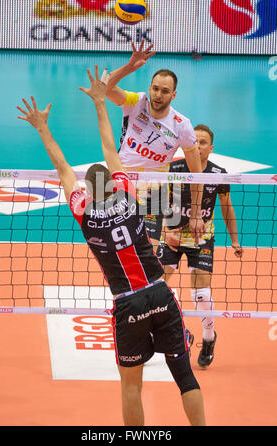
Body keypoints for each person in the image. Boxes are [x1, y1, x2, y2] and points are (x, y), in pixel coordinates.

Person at [16, 66, 206, 427]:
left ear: (88, 192)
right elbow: (109, 146)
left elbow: (62, 169)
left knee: (131, 387)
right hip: (161, 294)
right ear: (116, 184)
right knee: (184, 377)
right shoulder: (132, 198)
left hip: (127, 303)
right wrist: (101, 104)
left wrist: (42, 128)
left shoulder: (85, 215)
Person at [105, 40, 205, 250]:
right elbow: (103, 87)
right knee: (119, 250)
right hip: (121, 185)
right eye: (155, 88)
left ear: (174, 95)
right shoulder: (136, 102)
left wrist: (196, 215)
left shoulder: (182, 125)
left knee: (148, 251)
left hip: (155, 192)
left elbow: (197, 173)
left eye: (165, 91)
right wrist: (129, 67)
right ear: (149, 88)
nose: (158, 95)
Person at [157, 124, 243, 368]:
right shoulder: (174, 169)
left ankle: (208, 338)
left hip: (201, 238)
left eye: (203, 142)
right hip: (173, 235)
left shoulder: (218, 173)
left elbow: (226, 207)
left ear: (211, 148)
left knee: (201, 294)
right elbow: (158, 200)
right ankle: (178, 332)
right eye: (194, 141)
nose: (197, 145)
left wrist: (234, 239)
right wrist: (165, 229)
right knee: (158, 288)